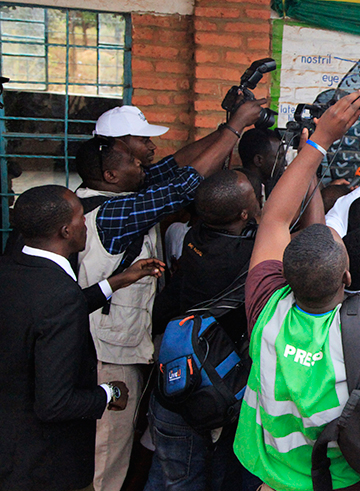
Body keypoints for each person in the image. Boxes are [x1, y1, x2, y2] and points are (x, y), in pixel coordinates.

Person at [233, 87, 360, 491]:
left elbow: (274, 220)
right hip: (336, 479)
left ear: (281, 273)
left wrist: (320, 139)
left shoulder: (266, 305)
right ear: (347, 278)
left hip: (267, 471)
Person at [78, 99, 264, 491]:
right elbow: (181, 185)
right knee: (106, 458)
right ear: (115, 158)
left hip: (124, 347)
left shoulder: (119, 189)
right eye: (141, 146)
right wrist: (236, 129)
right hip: (107, 356)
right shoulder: (114, 211)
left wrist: (228, 126)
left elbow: (176, 165)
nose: (149, 155)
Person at [0, 185, 161, 491]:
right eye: (79, 216)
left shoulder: (13, 269)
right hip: (44, 464)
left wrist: (117, 282)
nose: (85, 221)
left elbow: (46, 313)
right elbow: (54, 403)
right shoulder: (60, 295)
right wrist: (109, 393)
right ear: (65, 231)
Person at [145, 170, 263, 491]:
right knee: (191, 481)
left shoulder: (194, 237)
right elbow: (279, 228)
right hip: (211, 387)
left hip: (175, 382)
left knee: (169, 475)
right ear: (243, 213)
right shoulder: (247, 253)